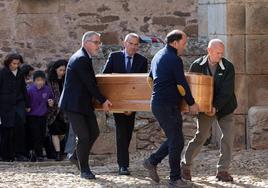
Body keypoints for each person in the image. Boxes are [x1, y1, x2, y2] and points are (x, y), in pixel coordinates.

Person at [143, 30, 199, 188]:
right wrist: (191, 102)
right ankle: (174, 179)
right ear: (174, 43)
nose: (185, 45)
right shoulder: (174, 59)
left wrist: (159, 93)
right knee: (176, 140)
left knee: (176, 139)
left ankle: (152, 161)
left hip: (161, 104)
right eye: (183, 42)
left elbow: (149, 79)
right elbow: (182, 84)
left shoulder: (158, 55)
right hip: (166, 105)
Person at [181, 39, 237, 182]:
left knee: (228, 138)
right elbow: (192, 87)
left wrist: (216, 107)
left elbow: (227, 91)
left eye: (221, 53)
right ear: (209, 51)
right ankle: (185, 167)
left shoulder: (228, 67)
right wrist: (194, 105)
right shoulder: (197, 65)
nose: (220, 56)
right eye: (217, 53)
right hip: (204, 108)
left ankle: (222, 171)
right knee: (201, 137)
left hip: (225, 107)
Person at [59, 31, 112, 180]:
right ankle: (85, 169)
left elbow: (89, 83)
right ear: (86, 42)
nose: (98, 45)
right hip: (74, 104)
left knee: (94, 132)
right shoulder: (81, 58)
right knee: (83, 136)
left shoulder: (84, 57)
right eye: (96, 42)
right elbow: (90, 84)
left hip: (83, 104)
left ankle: (75, 155)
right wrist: (103, 100)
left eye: (99, 42)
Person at [103, 33, 148, 175]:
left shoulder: (142, 60)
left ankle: (123, 162)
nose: (134, 47)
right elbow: (105, 78)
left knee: (128, 132)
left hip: (132, 104)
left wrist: (133, 106)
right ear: (124, 43)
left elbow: (142, 84)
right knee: (122, 132)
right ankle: (123, 165)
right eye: (131, 43)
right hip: (118, 103)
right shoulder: (114, 57)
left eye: (136, 44)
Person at [0, 53, 30, 162]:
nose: (16, 66)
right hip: (5, 106)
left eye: (18, 63)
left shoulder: (20, 73)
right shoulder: (2, 73)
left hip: (18, 104)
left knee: (20, 129)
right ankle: (6, 155)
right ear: (8, 63)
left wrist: (27, 104)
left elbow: (23, 89)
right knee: (6, 130)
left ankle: (20, 154)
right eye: (14, 63)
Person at [27, 70, 54, 162]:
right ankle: (38, 154)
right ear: (34, 81)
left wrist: (51, 102)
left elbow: (51, 99)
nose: (40, 82)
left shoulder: (47, 89)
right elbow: (26, 102)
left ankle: (36, 153)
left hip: (43, 116)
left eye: (42, 80)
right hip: (32, 116)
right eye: (38, 80)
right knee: (35, 135)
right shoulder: (30, 90)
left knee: (42, 135)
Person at [47, 59, 68, 161]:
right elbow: (45, 94)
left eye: (64, 70)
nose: (62, 72)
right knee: (54, 132)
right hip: (52, 111)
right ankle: (58, 153)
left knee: (62, 133)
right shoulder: (49, 81)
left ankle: (58, 149)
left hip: (64, 111)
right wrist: (48, 101)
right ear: (55, 70)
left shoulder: (67, 81)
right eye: (60, 70)